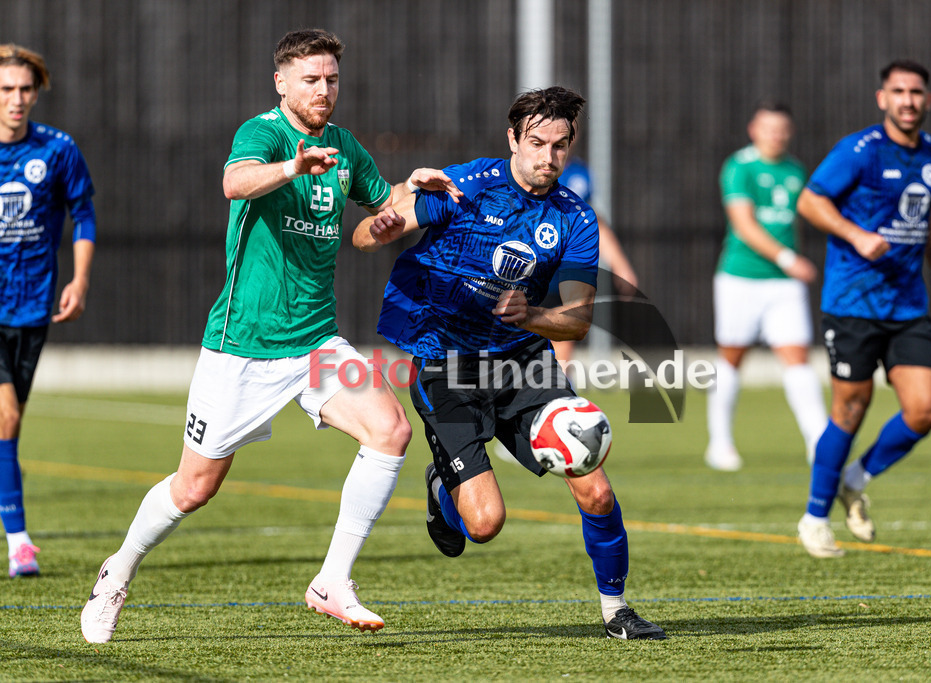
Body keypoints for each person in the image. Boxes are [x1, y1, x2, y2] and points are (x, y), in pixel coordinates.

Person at [80, 29, 459, 643]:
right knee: (194, 487)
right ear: (281, 82)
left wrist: (408, 193)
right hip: (242, 347)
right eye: (311, 79)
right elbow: (235, 183)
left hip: (317, 343)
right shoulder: (263, 134)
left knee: (390, 432)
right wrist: (292, 167)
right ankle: (117, 570)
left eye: (332, 79)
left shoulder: (345, 146)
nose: (324, 90)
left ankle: (332, 581)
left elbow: (375, 212)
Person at [353, 86, 666, 640]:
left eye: (560, 146)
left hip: (523, 362)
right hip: (443, 360)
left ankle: (616, 609)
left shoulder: (574, 218)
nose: (548, 157)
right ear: (513, 139)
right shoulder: (463, 187)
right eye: (537, 143)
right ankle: (440, 492)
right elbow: (364, 235)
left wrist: (534, 316)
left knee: (593, 483)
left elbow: (577, 319)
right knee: (485, 524)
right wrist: (380, 229)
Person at [795, 60, 931, 558]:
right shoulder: (859, 151)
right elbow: (810, 201)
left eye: (916, 92)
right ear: (881, 98)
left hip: (907, 302)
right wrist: (855, 235)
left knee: (926, 408)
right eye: (898, 91)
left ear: (928, 100)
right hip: (852, 301)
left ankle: (856, 477)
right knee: (851, 406)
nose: (908, 100)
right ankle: (815, 517)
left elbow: (922, 213)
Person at [0, 44, 96, 578]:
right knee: (5, 418)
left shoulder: (57, 149)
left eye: (24, 90)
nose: (16, 100)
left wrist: (79, 281)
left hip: (32, 305)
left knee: (7, 429)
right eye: (6, 90)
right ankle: (20, 542)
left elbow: (83, 214)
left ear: (36, 93)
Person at [705, 101, 827, 471]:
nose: (776, 135)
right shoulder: (739, 167)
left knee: (797, 358)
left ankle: (819, 441)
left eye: (782, 129)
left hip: (784, 285)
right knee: (732, 357)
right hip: (741, 277)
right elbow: (744, 225)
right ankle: (720, 443)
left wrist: (791, 264)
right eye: (768, 128)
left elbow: (797, 225)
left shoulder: (795, 169)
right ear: (753, 129)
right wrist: (790, 259)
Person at [551, 157, 638, 368]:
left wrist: (621, 266)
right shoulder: (522, 172)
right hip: (528, 273)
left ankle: (561, 394)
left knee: (561, 350)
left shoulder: (579, 176)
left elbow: (594, 222)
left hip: (562, 276)